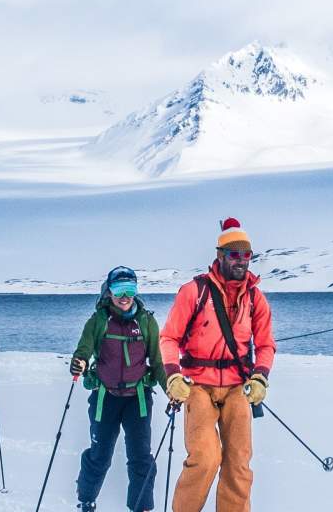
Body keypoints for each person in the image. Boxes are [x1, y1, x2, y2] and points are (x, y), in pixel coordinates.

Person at [160, 218, 276, 512]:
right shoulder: (194, 291)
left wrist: (260, 377)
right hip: (197, 386)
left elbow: (265, 345)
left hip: (238, 387)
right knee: (206, 457)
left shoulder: (255, 298)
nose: (241, 261)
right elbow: (169, 338)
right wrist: (173, 376)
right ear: (220, 255)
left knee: (238, 462)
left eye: (246, 255)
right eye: (234, 254)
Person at [69, 266, 166, 512]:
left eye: (130, 289)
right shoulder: (98, 321)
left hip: (138, 399)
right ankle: (86, 499)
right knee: (100, 455)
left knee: (141, 457)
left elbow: (157, 362)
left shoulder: (147, 321)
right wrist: (79, 362)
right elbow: (84, 350)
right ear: (108, 292)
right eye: (119, 290)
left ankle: (140, 507)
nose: (125, 296)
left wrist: (171, 389)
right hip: (105, 398)